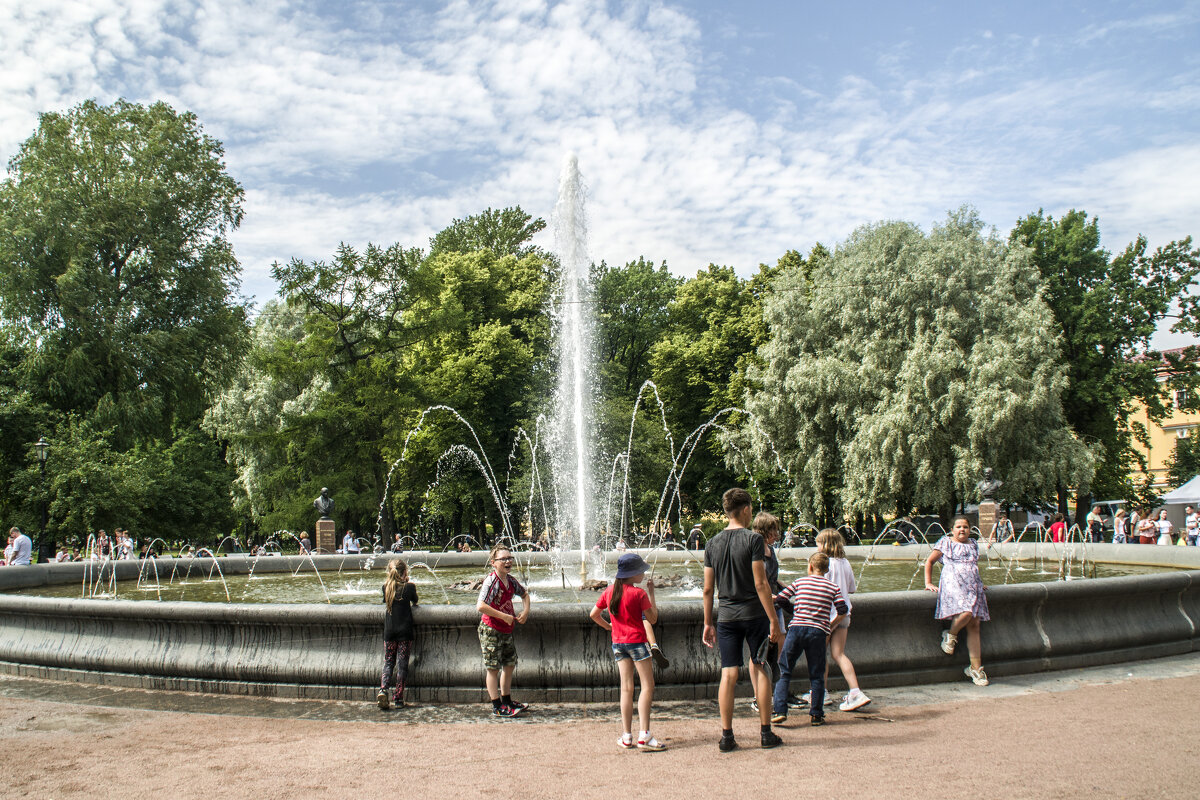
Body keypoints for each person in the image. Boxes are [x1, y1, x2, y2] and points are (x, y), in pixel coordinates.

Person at [702, 487, 783, 752]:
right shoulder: (753, 540)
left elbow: (707, 590)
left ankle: (726, 736)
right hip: (754, 615)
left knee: (729, 674)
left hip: (726, 618)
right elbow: (761, 584)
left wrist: (707, 623)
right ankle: (765, 733)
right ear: (746, 509)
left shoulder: (712, 543)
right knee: (760, 668)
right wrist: (773, 619)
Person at [588, 552, 666, 752]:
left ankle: (626, 736)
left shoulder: (610, 591)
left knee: (626, 689)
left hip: (618, 644)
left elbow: (593, 614)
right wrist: (651, 593)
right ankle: (645, 735)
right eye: (640, 570)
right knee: (647, 686)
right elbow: (653, 618)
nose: (643, 573)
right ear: (633, 574)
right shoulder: (638, 594)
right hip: (638, 643)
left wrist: (608, 627)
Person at [770, 552, 848, 725]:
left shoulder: (800, 582)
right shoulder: (832, 587)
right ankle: (816, 714)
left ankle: (780, 710)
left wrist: (793, 611)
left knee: (785, 669)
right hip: (818, 632)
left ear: (810, 566)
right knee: (817, 673)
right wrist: (830, 623)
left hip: (796, 629)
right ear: (827, 570)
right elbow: (843, 609)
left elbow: (781, 598)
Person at [924, 517, 990, 686]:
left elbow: (972, 566)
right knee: (966, 612)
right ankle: (951, 634)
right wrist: (928, 583)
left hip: (972, 587)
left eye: (966, 527)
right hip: (954, 585)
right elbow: (929, 561)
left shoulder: (973, 543)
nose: (962, 529)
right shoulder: (946, 543)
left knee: (974, 625)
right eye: (958, 527)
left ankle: (975, 669)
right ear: (952, 529)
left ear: (970, 529)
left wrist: (979, 583)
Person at [816, 529, 871, 711]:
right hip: (844, 614)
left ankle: (821, 693)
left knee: (819, 655)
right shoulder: (845, 562)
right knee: (839, 654)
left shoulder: (824, 564)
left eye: (818, 543)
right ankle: (855, 691)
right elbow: (852, 589)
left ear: (824, 545)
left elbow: (818, 588)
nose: (816, 547)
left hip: (826, 615)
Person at [476, 546, 531, 718]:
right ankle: (497, 706)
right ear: (493, 563)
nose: (508, 561)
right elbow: (481, 606)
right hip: (491, 629)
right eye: (503, 559)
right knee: (493, 668)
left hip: (506, 629)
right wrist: (504, 616)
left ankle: (507, 700)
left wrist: (525, 611)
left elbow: (525, 594)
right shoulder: (491, 581)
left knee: (509, 664)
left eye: (510, 558)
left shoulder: (511, 581)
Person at [377, 558, 418, 710]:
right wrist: (407, 582)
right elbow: (415, 601)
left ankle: (383, 689)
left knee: (388, 662)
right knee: (402, 665)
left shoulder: (385, 587)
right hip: (404, 633)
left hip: (389, 631)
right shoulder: (409, 587)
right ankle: (398, 698)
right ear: (405, 572)